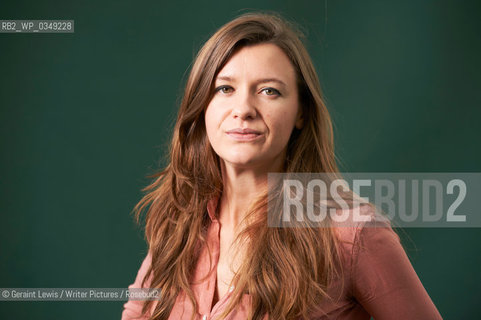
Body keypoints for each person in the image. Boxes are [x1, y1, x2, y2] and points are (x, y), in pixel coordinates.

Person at [121, 11, 443, 320]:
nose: (243, 109)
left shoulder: (352, 232)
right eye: (225, 89)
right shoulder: (178, 224)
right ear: (203, 106)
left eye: (269, 91)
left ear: (301, 112)